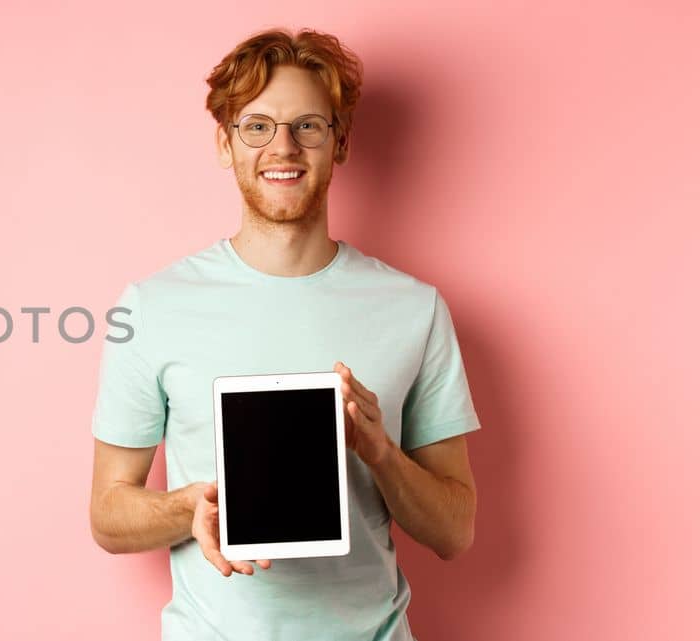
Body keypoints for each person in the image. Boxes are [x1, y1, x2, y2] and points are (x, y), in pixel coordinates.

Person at [87, 28, 480, 641]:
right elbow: (108, 513)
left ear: (339, 142)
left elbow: (455, 532)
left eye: (307, 126)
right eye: (258, 126)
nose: (283, 147)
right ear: (226, 143)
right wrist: (188, 508)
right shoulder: (153, 307)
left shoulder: (414, 309)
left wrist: (381, 454)